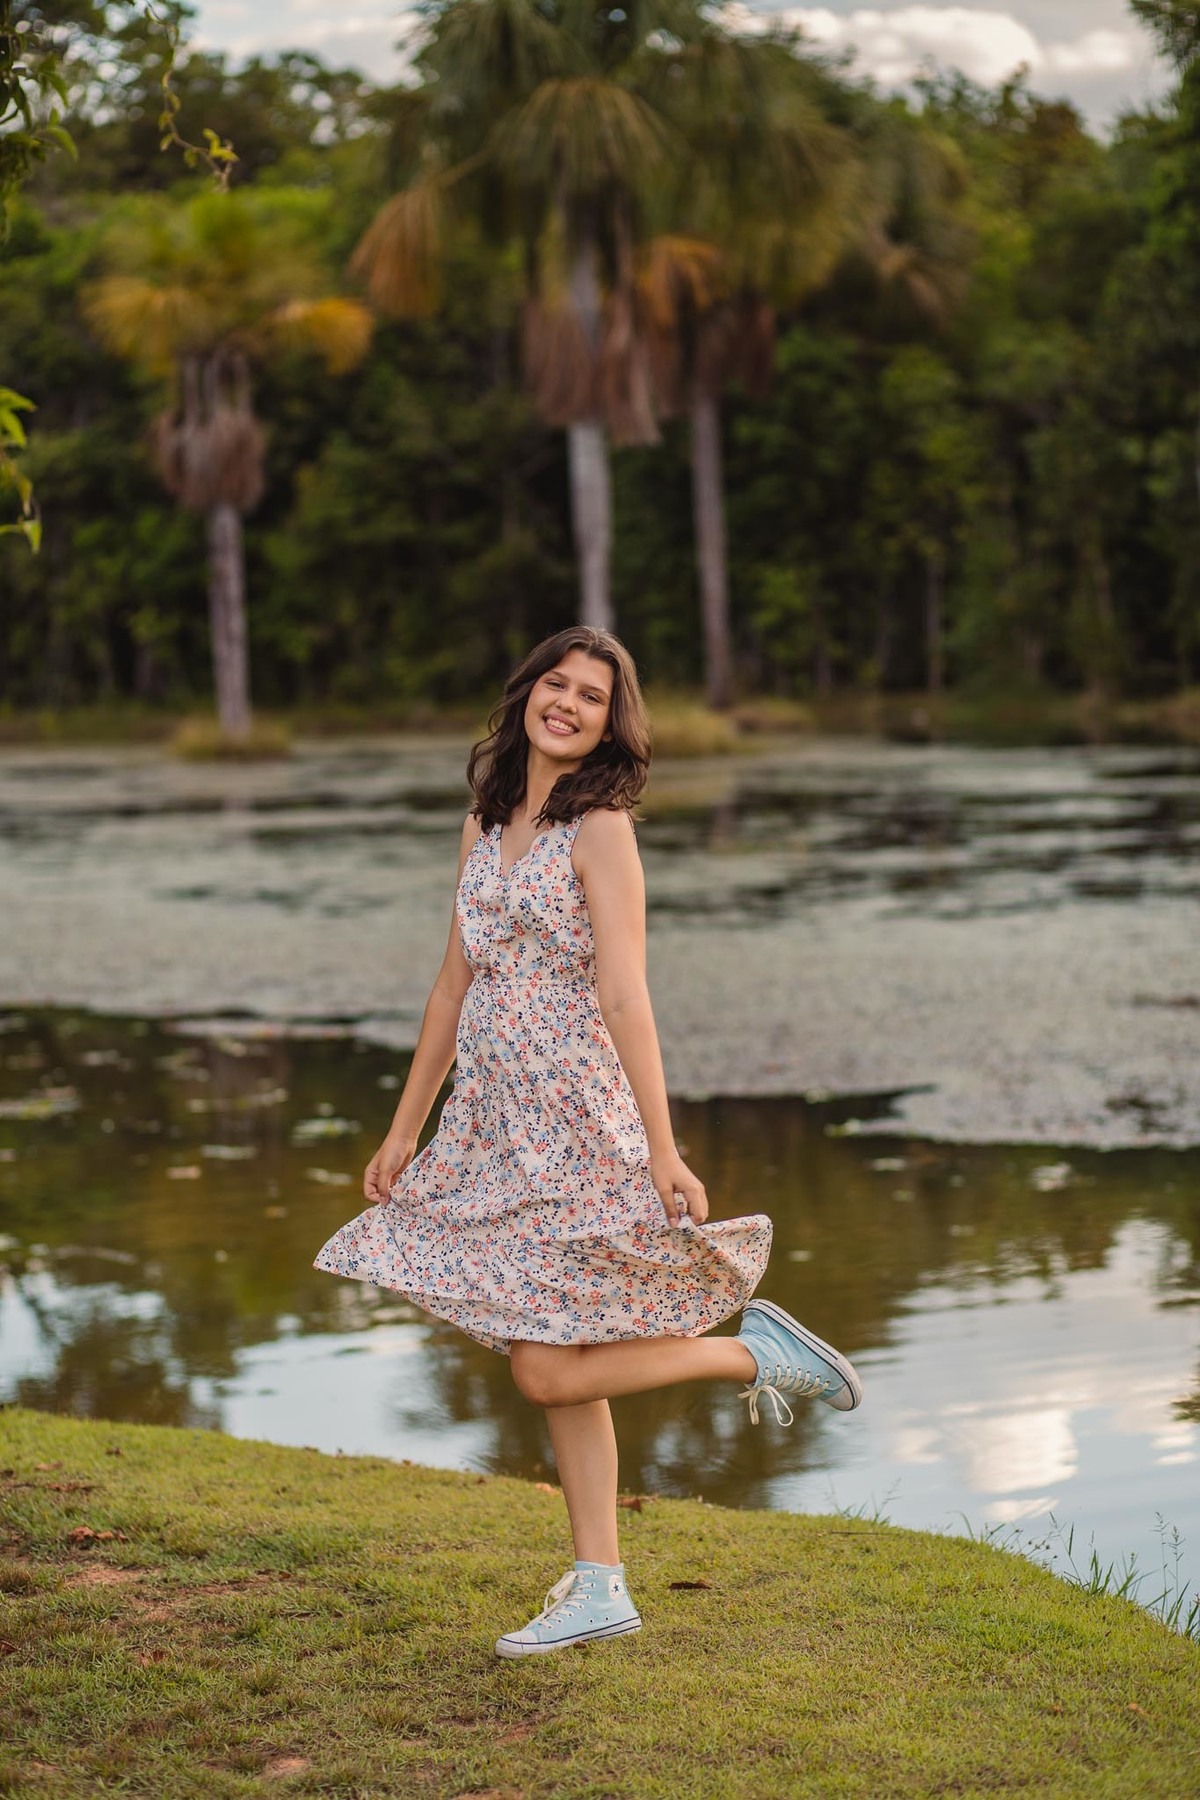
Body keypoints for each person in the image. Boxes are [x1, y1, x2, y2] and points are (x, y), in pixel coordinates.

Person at [314, 626, 862, 1658]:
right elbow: (452, 985)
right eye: (555, 684)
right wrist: (404, 1129)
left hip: (575, 1120)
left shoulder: (601, 828)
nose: (567, 703)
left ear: (613, 723)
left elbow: (624, 994)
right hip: (492, 1125)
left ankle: (753, 1355)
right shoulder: (484, 821)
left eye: (592, 696)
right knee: (556, 1354)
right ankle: (601, 1583)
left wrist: (664, 1147)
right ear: (526, 693)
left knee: (546, 1368)